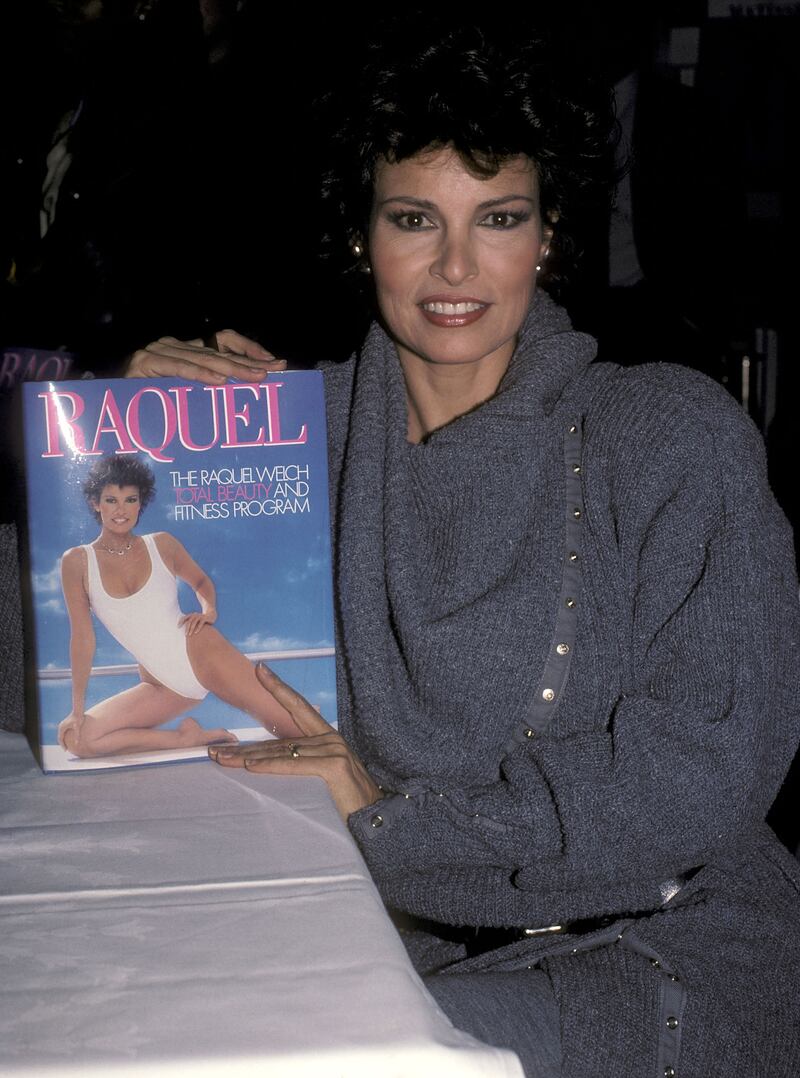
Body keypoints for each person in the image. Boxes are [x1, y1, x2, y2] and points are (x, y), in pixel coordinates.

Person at [126, 21, 800, 1077]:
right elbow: (53, 673)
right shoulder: (275, 448)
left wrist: (389, 824)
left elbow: (702, 773)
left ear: (548, 235)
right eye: (412, 219)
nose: (453, 266)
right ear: (361, 235)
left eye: (498, 218)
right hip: (370, 938)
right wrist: (112, 449)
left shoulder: (667, 435)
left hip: (656, 942)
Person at [59, 455, 301, 758]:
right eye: (111, 500)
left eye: (130, 500)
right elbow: (83, 638)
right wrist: (77, 710)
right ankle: (186, 738)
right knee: (78, 740)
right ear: (95, 503)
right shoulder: (77, 562)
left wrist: (209, 611)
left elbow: (200, 581)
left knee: (295, 731)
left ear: (140, 503)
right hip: (165, 687)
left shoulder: (162, 544)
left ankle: (302, 713)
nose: (121, 510)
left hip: (200, 650)